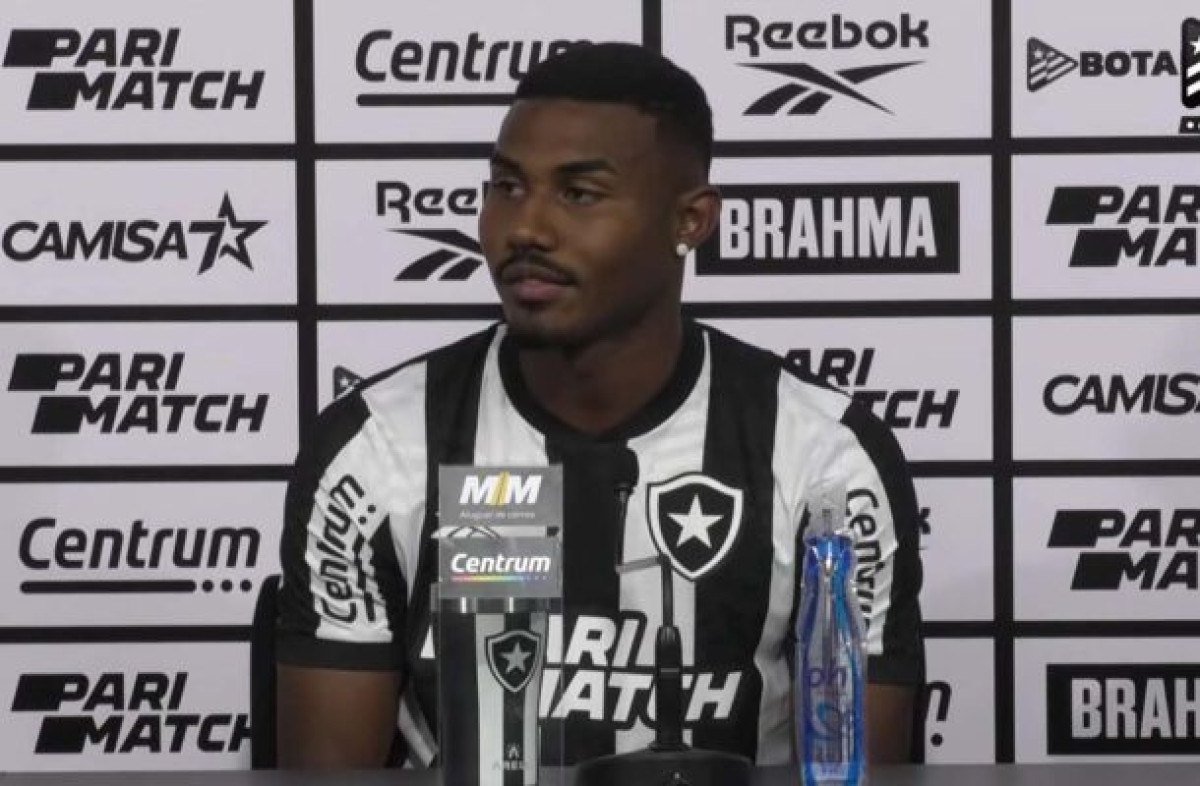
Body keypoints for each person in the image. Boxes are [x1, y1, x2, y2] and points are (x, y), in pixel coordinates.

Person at [275, 41, 923, 770]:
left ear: (691, 220)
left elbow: (852, 769)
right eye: (507, 186)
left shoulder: (825, 460)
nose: (526, 228)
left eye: (579, 194)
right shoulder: (381, 449)